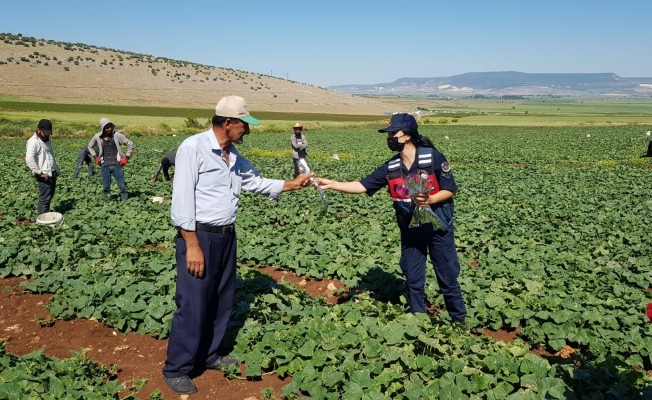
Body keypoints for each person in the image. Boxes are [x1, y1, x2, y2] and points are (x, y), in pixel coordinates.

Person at [163, 95, 314, 395]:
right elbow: (181, 203)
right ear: (228, 123)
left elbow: (255, 182)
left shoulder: (233, 156)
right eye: (244, 125)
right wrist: (191, 245)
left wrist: (291, 184)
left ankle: (210, 354)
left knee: (221, 298)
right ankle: (176, 368)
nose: (248, 130)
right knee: (193, 303)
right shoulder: (193, 148)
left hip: (225, 236)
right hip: (199, 236)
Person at [316, 113, 467, 325]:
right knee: (413, 280)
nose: (389, 138)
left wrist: (430, 199)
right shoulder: (391, 167)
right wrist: (332, 183)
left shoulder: (433, 157)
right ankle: (420, 324)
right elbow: (362, 185)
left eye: (393, 133)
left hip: (437, 230)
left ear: (406, 136)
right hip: (411, 232)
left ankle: (459, 321)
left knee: (447, 278)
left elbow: (450, 189)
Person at [87, 118, 134, 201]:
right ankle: (106, 202)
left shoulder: (117, 135)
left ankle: (125, 201)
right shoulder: (97, 137)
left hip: (117, 164)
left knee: (122, 185)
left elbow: (130, 144)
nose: (109, 129)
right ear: (102, 127)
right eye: (107, 127)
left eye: (111, 127)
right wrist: (95, 157)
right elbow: (90, 146)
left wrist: (126, 157)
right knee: (106, 186)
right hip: (104, 165)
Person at [25, 119, 60, 215]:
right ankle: (42, 221)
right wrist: (40, 173)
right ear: (39, 129)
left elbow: (49, 156)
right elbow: (29, 159)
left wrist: (55, 170)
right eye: (45, 133)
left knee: (49, 197)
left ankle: (46, 215)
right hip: (43, 174)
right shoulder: (33, 142)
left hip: (51, 172)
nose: (47, 135)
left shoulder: (46, 140)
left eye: (49, 133)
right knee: (44, 199)